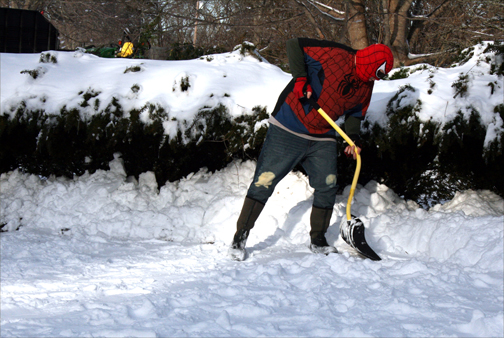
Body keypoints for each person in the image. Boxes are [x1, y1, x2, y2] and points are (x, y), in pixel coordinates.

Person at [229, 38, 394, 261]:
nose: (378, 78)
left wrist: (352, 138)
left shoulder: (367, 84)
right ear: (371, 62)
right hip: (289, 126)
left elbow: (356, 113)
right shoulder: (335, 53)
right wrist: (301, 79)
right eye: (379, 72)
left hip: (323, 135)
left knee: (327, 185)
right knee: (264, 182)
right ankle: (240, 237)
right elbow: (294, 44)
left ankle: (318, 240)